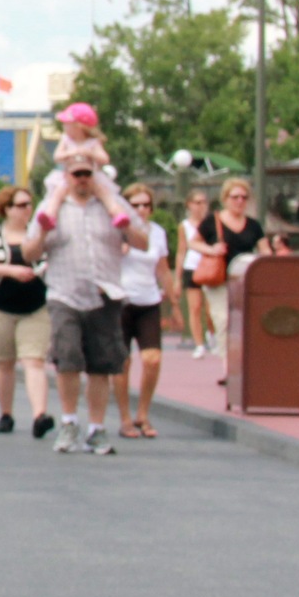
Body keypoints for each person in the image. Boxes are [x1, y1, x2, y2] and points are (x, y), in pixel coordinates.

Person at [25, 158, 147, 454]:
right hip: (64, 293)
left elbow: (143, 242)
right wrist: (43, 232)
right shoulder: (52, 206)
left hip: (104, 293)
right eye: (76, 174)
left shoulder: (112, 204)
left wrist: (124, 222)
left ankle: (96, 428)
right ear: (67, 176)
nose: (82, 179)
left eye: (87, 174)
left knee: (101, 365)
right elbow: (29, 252)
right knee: (67, 358)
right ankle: (69, 422)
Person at [0, 183, 52, 437]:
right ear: (6, 209)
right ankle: (6, 413)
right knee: (5, 362)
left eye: (29, 204)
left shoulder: (39, 235)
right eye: (21, 205)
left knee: (34, 360)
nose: (27, 209)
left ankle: (39, 415)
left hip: (36, 306)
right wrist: (10, 271)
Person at [114, 182, 171, 438]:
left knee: (152, 359)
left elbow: (163, 269)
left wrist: (173, 302)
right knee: (123, 362)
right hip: (121, 300)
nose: (141, 209)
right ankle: (125, 418)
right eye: (135, 205)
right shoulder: (116, 230)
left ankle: (143, 414)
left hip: (149, 300)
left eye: (146, 205)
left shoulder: (157, 233)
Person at [194, 178, 265, 342]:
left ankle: (240, 354)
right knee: (223, 320)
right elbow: (194, 242)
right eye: (235, 197)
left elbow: (264, 249)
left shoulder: (253, 225)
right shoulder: (212, 221)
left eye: (244, 197)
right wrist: (212, 250)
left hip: (244, 280)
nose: (240, 201)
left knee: (246, 321)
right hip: (219, 278)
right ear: (225, 199)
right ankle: (224, 354)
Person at [176, 187, 215, 358]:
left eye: (204, 202)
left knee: (211, 309)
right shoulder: (184, 226)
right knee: (195, 307)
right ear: (189, 205)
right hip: (191, 267)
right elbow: (181, 251)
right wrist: (177, 278)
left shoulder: (213, 222)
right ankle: (199, 344)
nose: (201, 206)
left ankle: (212, 334)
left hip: (210, 267)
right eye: (197, 202)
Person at [50, 100, 111, 181]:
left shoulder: (92, 142)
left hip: (90, 177)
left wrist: (90, 153)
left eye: (66, 124)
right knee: (60, 188)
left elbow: (105, 159)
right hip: (68, 177)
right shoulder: (66, 140)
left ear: (79, 126)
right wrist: (71, 153)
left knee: (101, 188)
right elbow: (56, 157)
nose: (63, 126)